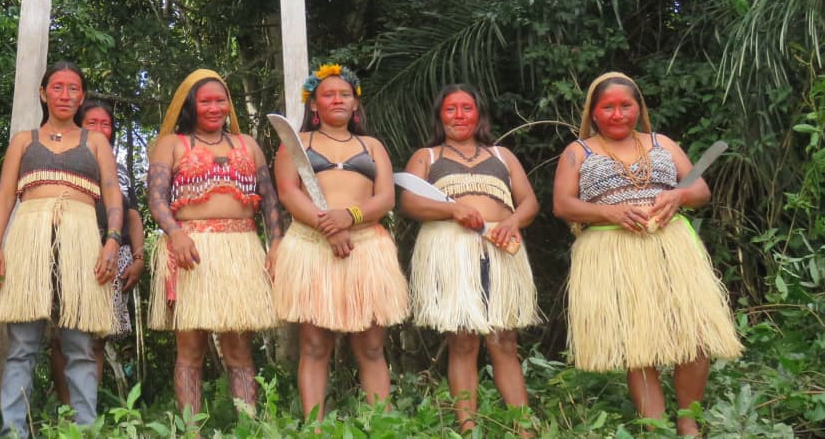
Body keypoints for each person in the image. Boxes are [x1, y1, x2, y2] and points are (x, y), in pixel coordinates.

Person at [552, 72, 743, 436]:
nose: (618, 114)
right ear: (593, 113)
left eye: (626, 105)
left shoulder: (663, 143)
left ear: (638, 108)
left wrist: (678, 195)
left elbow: (700, 189)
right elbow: (563, 205)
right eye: (607, 107)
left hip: (671, 247)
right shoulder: (578, 152)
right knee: (639, 345)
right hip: (612, 251)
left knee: (695, 336)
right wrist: (609, 212)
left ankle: (689, 423)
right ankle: (656, 429)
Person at [0, 62, 128, 438]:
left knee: (80, 342)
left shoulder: (94, 141)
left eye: (73, 89)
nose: (65, 96)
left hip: (82, 236)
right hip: (28, 236)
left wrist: (112, 239)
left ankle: (83, 430)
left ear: (81, 96)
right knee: (22, 343)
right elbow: (3, 196)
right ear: (43, 92)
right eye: (58, 88)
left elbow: (113, 192)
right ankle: (14, 430)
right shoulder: (24, 140)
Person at [399, 84, 539, 432]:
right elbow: (409, 203)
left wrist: (512, 221)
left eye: (466, 108)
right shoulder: (427, 157)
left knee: (504, 339)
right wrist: (451, 209)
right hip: (451, 251)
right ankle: (468, 427)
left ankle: (524, 428)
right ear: (439, 116)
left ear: (479, 115)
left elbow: (530, 202)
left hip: (500, 246)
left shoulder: (503, 155)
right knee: (462, 339)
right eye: (451, 109)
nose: (459, 116)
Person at [272, 64, 409, 419]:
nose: (337, 99)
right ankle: (315, 427)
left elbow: (386, 198)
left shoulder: (372, 145)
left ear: (355, 103)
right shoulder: (297, 143)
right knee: (315, 344)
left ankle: (380, 424)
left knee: (372, 344)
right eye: (329, 94)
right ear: (314, 104)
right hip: (312, 245)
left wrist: (350, 217)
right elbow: (288, 192)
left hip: (367, 245)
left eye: (344, 94)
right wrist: (328, 226)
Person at [146, 70, 282, 415]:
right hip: (191, 250)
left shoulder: (247, 145)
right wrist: (175, 234)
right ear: (191, 105)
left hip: (241, 249)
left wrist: (276, 244)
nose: (214, 107)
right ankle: (191, 431)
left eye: (220, 100)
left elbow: (268, 200)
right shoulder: (173, 144)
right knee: (190, 349)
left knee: (239, 350)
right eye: (205, 101)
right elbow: (156, 197)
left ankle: (249, 424)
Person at [48, 99, 145, 406]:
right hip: (66, 254)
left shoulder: (119, 168)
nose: (101, 129)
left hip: (111, 256)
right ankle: (66, 413)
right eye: (92, 123)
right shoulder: (62, 157)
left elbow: (132, 214)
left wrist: (139, 258)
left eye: (106, 124)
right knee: (62, 337)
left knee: (97, 338)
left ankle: (84, 412)